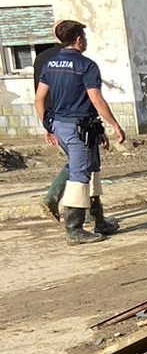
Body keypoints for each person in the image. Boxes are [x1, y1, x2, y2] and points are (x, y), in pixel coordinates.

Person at [34, 21, 127, 245]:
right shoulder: (86, 65)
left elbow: (39, 99)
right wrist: (114, 124)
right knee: (80, 176)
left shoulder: (50, 63)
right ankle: (74, 228)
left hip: (62, 125)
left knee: (90, 168)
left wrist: (48, 126)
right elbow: (95, 98)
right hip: (78, 128)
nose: (85, 40)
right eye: (84, 36)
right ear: (78, 39)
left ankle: (100, 221)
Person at [33, 24, 68, 222]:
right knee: (81, 163)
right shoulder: (74, 59)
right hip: (72, 116)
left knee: (81, 163)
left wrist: (45, 124)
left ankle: (92, 214)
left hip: (52, 117)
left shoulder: (41, 58)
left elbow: (38, 95)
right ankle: (52, 198)